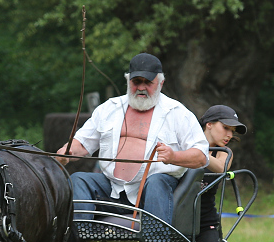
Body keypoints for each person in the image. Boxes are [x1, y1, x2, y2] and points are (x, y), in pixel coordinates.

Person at [57, 53, 208, 225]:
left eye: (148, 82)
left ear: (161, 83)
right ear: (128, 81)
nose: (141, 87)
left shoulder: (178, 113)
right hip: (110, 189)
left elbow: (201, 156)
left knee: (157, 182)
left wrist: (174, 157)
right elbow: (82, 144)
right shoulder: (108, 108)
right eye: (136, 82)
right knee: (79, 179)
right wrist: (66, 153)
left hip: (153, 192)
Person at [197, 105, 247, 242]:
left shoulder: (225, 152)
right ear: (209, 124)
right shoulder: (184, 144)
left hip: (206, 221)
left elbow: (220, 167)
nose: (230, 135)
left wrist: (196, 152)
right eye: (226, 128)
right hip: (177, 219)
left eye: (232, 131)